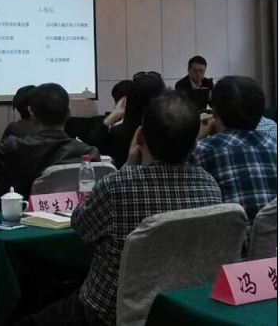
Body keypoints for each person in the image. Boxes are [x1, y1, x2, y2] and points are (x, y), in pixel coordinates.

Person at [15, 91, 221, 326]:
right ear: (195, 144)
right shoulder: (210, 186)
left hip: (107, 311)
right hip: (176, 310)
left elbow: (80, 226)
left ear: (140, 136)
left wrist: (128, 165)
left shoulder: (118, 185)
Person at [0, 83, 99, 209]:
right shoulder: (88, 154)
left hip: (23, 223)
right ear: (68, 113)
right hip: (73, 224)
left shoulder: (14, 148)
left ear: (32, 115)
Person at [194, 76, 277, 227]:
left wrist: (197, 138)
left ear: (215, 112)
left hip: (233, 240)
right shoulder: (275, 145)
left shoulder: (203, 150)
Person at [87, 72, 165, 168]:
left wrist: (111, 118)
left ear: (129, 101)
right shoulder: (173, 132)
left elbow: (92, 148)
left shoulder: (118, 135)